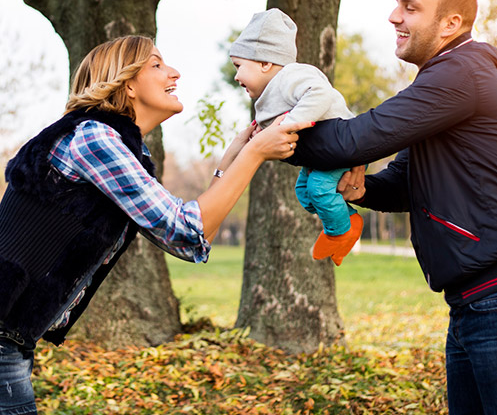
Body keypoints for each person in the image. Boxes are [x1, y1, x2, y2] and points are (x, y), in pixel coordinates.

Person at [286, 0, 497, 415]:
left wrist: (274, 134)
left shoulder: (461, 75)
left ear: (451, 24)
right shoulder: (444, 82)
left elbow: (354, 139)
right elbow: (403, 184)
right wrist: (358, 191)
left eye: (410, 7)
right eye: (397, 3)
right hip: (477, 302)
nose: (394, 16)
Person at [0, 35, 313, 414]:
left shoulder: (118, 146)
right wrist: (254, 154)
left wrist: (235, 156)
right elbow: (186, 228)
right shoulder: (94, 137)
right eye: (157, 64)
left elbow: (191, 240)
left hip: (12, 340)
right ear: (128, 84)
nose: (174, 72)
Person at [230, 8, 363, 266]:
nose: (236, 76)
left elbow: (320, 94)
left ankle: (339, 232)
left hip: (342, 146)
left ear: (265, 63)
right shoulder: (268, 93)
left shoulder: (292, 75)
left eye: (239, 66)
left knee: (318, 188)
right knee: (303, 192)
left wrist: (289, 125)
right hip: (321, 154)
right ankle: (348, 219)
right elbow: (272, 126)